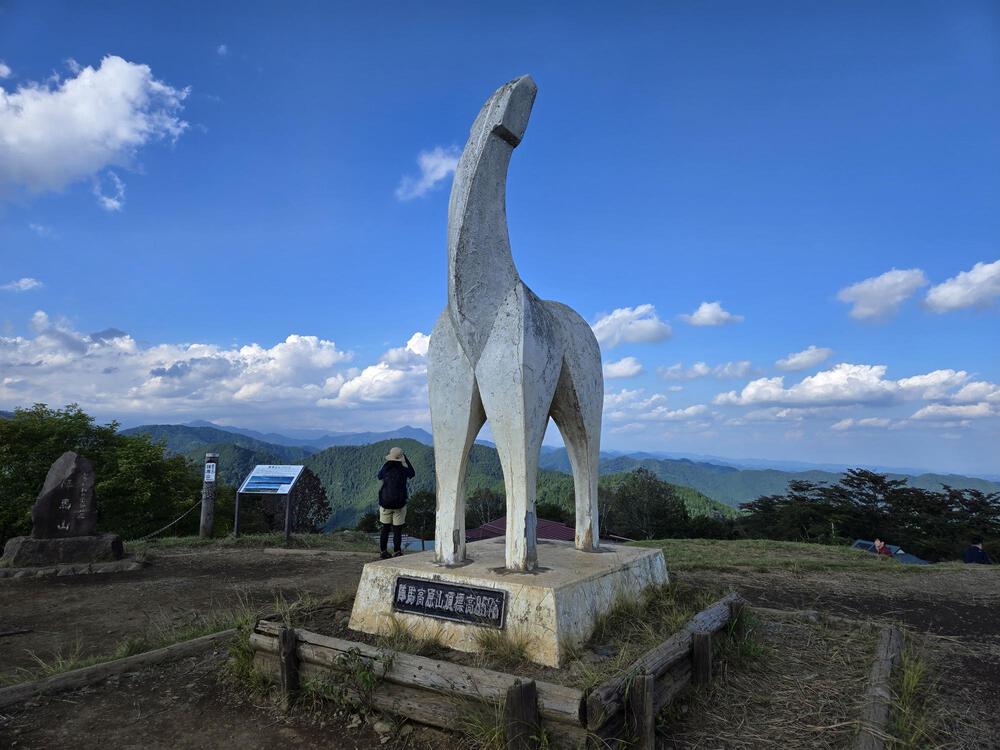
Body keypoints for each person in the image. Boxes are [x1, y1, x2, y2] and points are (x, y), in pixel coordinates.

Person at [377, 446, 415, 559]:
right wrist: (405, 460)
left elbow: (379, 476)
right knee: (397, 530)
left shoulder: (386, 467)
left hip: (385, 504)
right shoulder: (403, 469)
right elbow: (412, 473)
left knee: (385, 528)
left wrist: (387, 462)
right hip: (399, 504)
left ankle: (383, 551)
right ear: (401, 457)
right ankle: (397, 551)